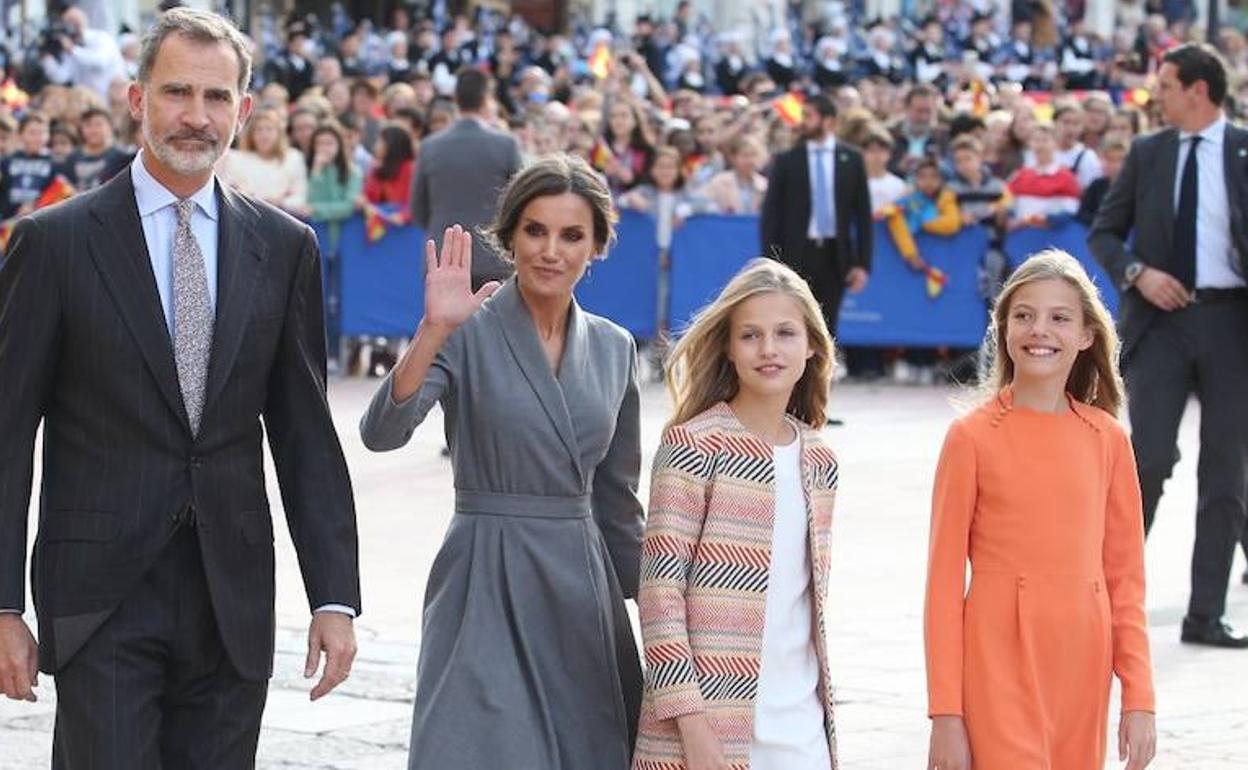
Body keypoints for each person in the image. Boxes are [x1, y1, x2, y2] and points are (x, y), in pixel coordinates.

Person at [0, 5, 362, 766]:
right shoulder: (54, 243)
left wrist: (334, 595)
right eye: (176, 93)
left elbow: (304, 434)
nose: (196, 117)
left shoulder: (284, 245)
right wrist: (2, 604)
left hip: (231, 599)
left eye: (217, 97)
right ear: (136, 100)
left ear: (246, 109)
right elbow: (5, 437)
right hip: (101, 595)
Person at [360, 154, 643, 770]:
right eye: (535, 230)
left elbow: (618, 502)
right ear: (510, 236)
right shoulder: (464, 328)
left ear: (596, 246)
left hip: (580, 589)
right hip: (483, 575)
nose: (550, 250)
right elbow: (382, 433)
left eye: (572, 235)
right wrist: (433, 330)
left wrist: (663, 612)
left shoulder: (617, 348)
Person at [925, 250, 1156, 770]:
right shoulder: (971, 438)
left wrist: (1139, 697)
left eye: (1059, 318)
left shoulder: (1107, 440)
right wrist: (945, 712)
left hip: (1081, 661)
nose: (1039, 330)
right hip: (996, 658)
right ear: (1003, 330)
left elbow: (1126, 579)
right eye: (1023, 315)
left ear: (1086, 335)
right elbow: (942, 584)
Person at [632, 258, 839, 770]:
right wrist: (694, 728)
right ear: (728, 345)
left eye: (785, 333)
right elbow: (660, 596)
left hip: (803, 727)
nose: (768, 349)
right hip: (709, 728)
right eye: (750, 335)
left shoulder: (820, 460)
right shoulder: (693, 447)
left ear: (812, 345)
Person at [1089, 43, 1248, 648]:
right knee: (1146, 461)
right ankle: (1104, 600)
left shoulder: (1242, 149)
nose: (1158, 95)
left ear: (1200, 90)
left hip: (1232, 323)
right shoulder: (1148, 152)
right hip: (1160, 325)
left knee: (1226, 472)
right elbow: (1105, 231)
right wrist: (1137, 274)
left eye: (1168, 84)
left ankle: (1205, 614)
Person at [760, 94, 872, 339]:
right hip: (796, 252)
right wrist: (771, 260)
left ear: (829, 121)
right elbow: (771, 215)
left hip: (835, 253)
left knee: (828, 320)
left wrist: (863, 263)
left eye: (809, 116)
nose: (803, 122)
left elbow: (862, 215)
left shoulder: (851, 160)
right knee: (791, 317)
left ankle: (822, 374)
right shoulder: (788, 160)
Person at [410, 68, 523, 291]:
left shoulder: (430, 146)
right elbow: (520, 202)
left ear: (456, 100)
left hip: (444, 257)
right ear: (485, 99)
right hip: (494, 258)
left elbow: (418, 208)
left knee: (449, 327)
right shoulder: (506, 145)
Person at [219, 105, 308, 215]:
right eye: (259, 130)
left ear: (279, 133)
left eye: (269, 129)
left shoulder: (293, 157)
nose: (264, 135)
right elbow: (229, 192)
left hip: (284, 217)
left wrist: (281, 202)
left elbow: (300, 196)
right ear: (252, 134)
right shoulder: (236, 158)